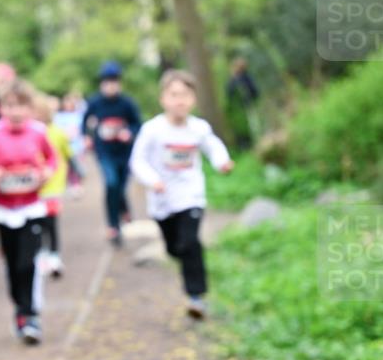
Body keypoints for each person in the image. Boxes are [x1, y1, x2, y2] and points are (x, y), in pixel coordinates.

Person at [129, 69, 234, 319]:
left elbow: (213, 146)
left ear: (193, 100)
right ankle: (182, 265)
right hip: (162, 200)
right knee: (175, 248)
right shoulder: (152, 129)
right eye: (174, 95)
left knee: (190, 242)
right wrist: (153, 181)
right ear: (163, 99)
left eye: (185, 95)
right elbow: (137, 161)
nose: (180, 100)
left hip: (190, 195)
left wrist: (223, 162)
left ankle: (196, 296)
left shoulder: (199, 128)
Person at [0, 80, 57, 344]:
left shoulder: (39, 132)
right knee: (12, 265)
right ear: (1, 108)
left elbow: (53, 160)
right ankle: (20, 310)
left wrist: (45, 172)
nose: (16, 112)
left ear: (31, 109)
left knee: (27, 262)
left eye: (21, 106)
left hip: (31, 208)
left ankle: (29, 315)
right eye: (10, 106)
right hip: (3, 210)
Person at [82, 61, 142, 246]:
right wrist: (87, 136)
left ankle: (124, 209)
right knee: (111, 183)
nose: (111, 85)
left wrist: (129, 133)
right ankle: (113, 225)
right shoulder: (94, 103)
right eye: (107, 81)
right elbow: (84, 123)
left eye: (114, 81)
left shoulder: (127, 103)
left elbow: (138, 125)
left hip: (124, 154)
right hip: (104, 152)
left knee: (120, 187)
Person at [35, 93, 73, 279]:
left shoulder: (56, 132)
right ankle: (42, 256)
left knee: (51, 224)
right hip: (34, 190)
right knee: (37, 225)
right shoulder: (30, 133)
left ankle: (54, 257)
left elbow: (67, 153)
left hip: (53, 188)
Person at [225, 57, 260, 151]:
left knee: (252, 126)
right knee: (243, 128)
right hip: (239, 109)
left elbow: (254, 91)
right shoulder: (233, 81)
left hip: (246, 106)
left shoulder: (245, 78)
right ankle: (247, 146)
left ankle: (255, 145)